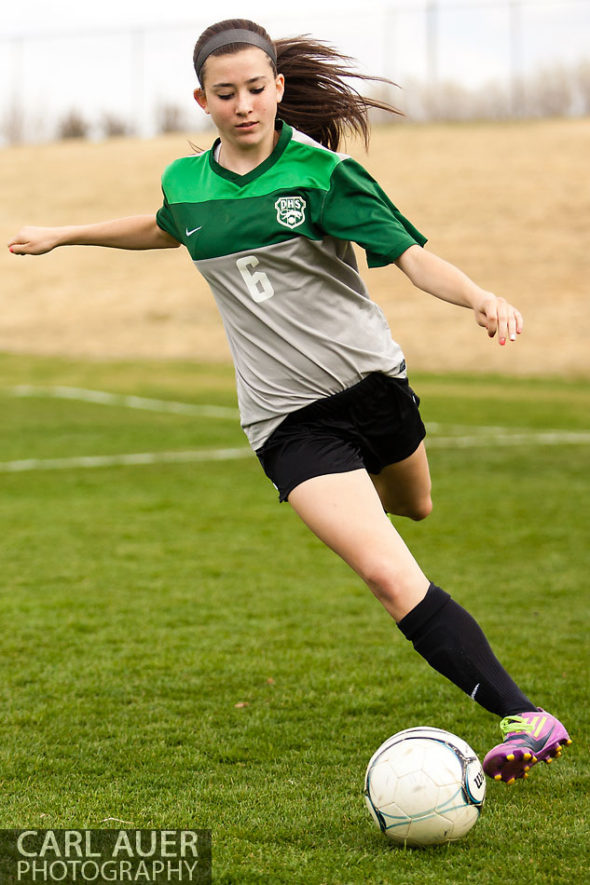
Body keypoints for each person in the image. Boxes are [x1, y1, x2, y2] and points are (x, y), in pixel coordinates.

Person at [9, 18, 570, 784]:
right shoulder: (186, 181)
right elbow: (168, 228)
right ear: (201, 98)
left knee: (418, 507)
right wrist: (64, 234)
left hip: (373, 388)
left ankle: (392, 502)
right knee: (386, 572)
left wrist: (478, 297)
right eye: (226, 93)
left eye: (256, 88)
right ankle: (525, 714)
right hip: (287, 420)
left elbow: (410, 256)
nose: (243, 105)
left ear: (278, 88)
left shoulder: (323, 177)